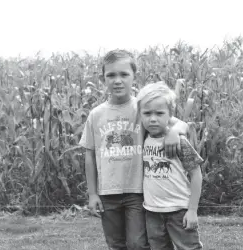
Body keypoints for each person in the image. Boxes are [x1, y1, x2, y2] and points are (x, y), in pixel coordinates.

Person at [80, 49, 188, 250]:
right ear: (103, 79)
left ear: (134, 76)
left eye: (124, 74)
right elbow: (90, 155)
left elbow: (181, 124)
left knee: (138, 244)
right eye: (111, 75)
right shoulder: (96, 115)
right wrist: (92, 194)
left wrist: (175, 132)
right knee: (115, 244)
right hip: (107, 192)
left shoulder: (143, 107)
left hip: (138, 191)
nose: (117, 80)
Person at [137, 82, 204, 250]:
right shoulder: (143, 137)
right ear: (140, 114)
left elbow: (196, 174)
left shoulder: (179, 141)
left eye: (159, 113)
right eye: (147, 113)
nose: (153, 118)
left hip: (179, 210)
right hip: (152, 212)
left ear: (170, 115)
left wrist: (192, 210)